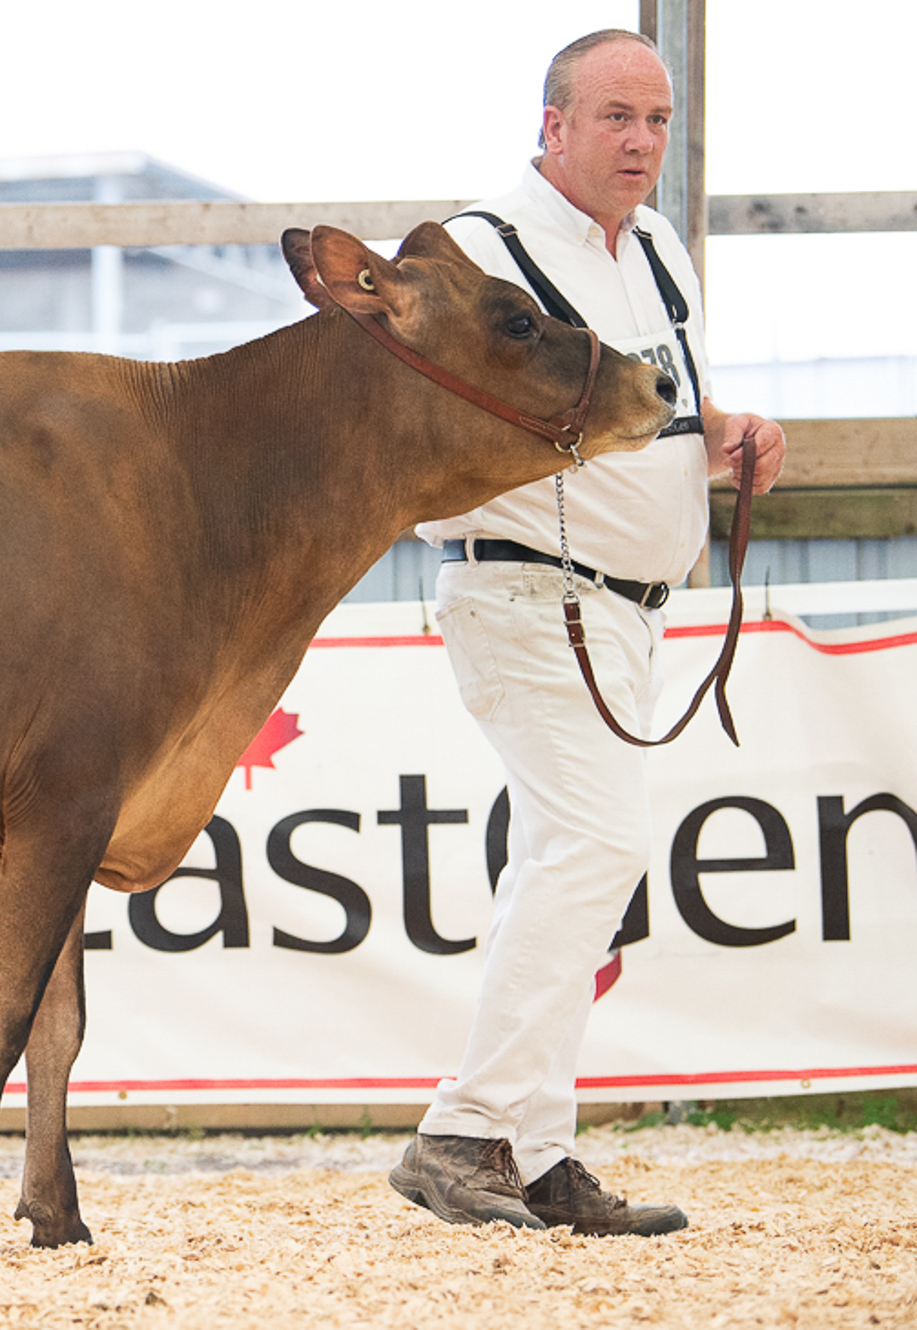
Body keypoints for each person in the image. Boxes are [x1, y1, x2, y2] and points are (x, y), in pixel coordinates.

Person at [389, 31, 787, 1235]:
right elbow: (419, 430)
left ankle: (533, 1149)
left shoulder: (658, 249)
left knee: (567, 862)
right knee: (597, 845)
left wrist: (721, 432)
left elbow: (655, 412)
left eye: (656, 120)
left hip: (628, 609)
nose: (641, 142)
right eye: (615, 117)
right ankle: (463, 1129)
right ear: (551, 124)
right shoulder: (472, 253)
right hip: (523, 591)